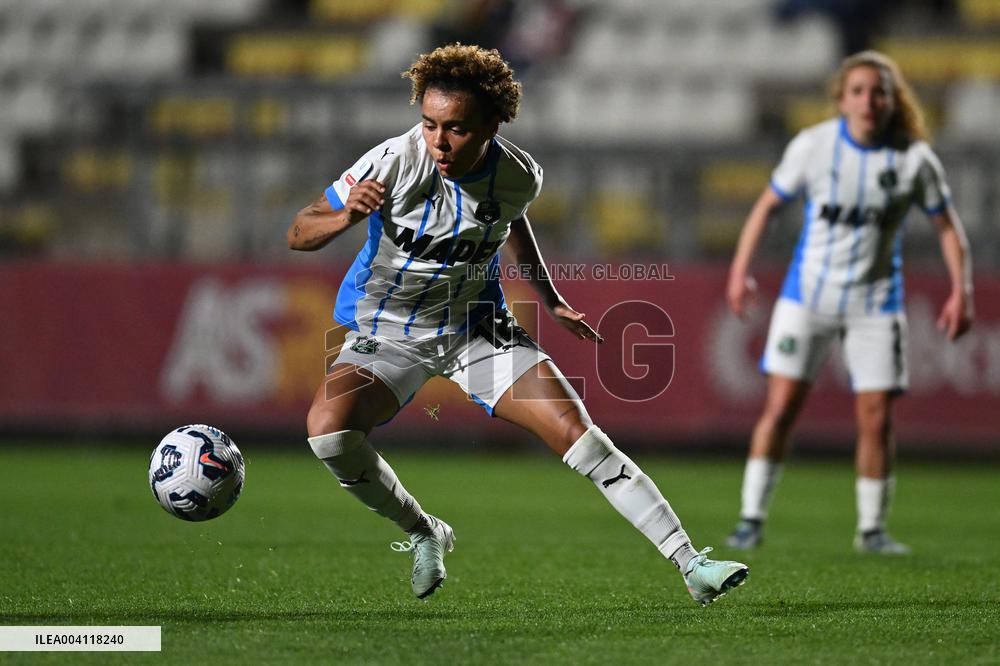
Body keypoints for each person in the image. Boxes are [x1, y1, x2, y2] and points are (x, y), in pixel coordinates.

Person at [287, 43, 749, 604]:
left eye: (455, 128)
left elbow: (510, 222)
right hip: (385, 332)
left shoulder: (518, 175)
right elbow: (299, 231)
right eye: (429, 124)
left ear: (492, 124)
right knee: (329, 435)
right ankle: (422, 531)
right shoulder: (392, 161)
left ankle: (691, 564)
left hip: (478, 329)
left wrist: (549, 298)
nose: (438, 141)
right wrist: (345, 216)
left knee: (581, 438)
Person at [724, 50, 974, 554]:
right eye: (858, 91)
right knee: (780, 408)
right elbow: (767, 206)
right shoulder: (813, 147)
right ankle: (750, 519)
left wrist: (961, 290)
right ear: (841, 99)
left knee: (877, 415)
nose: (868, 100)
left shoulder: (912, 158)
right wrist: (739, 271)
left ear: (892, 99)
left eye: (878, 91)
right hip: (807, 296)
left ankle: (872, 530)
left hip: (876, 302)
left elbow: (948, 227)